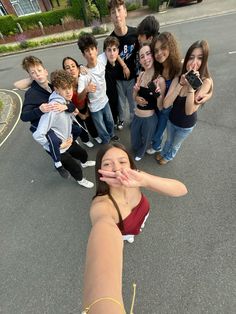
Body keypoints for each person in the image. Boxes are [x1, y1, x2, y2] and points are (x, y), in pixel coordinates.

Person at [82, 143, 187, 312]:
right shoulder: (102, 206)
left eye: (122, 161)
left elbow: (181, 190)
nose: (117, 168)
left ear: (131, 164)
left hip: (141, 217)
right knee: (125, 237)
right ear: (100, 172)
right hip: (121, 231)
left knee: (137, 229)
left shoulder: (136, 180)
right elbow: (103, 229)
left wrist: (145, 180)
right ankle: (127, 236)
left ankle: (132, 233)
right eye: (107, 164)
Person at [33, 69, 95, 188]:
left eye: (70, 87)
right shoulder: (53, 109)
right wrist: (55, 146)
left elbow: (72, 110)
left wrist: (68, 107)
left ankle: (85, 163)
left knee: (82, 153)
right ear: (56, 89)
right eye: (64, 88)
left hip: (69, 140)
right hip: (60, 147)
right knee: (74, 168)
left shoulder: (64, 100)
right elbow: (37, 135)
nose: (69, 92)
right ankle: (80, 180)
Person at [156, 40, 213, 165]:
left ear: (204, 61)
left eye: (200, 58)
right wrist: (181, 84)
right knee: (169, 140)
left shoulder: (205, 83)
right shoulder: (180, 74)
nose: (194, 62)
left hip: (186, 125)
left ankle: (168, 156)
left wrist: (191, 88)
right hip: (172, 119)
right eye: (191, 57)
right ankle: (165, 151)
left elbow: (189, 111)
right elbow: (166, 104)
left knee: (176, 144)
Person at [20, 55, 77, 178]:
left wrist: (67, 107)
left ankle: (72, 157)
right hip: (47, 131)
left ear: (45, 71)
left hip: (62, 127)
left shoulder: (54, 87)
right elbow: (24, 117)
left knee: (73, 143)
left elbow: (70, 103)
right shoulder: (31, 94)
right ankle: (61, 166)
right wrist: (39, 110)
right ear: (30, 77)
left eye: (39, 70)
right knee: (63, 156)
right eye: (33, 73)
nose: (38, 75)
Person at [77, 33, 119, 144]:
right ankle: (107, 142)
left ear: (96, 49)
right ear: (83, 54)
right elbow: (79, 97)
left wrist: (122, 65)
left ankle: (111, 135)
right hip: (94, 107)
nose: (90, 53)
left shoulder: (102, 58)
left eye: (92, 49)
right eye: (87, 50)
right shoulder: (83, 76)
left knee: (110, 121)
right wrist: (86, 89)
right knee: (101, 127)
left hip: (105, 100)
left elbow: (113, 52)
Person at [147, 32, 182, 155]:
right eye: (156, 51)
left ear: (170, 48)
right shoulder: (158, 69)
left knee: (159, 132)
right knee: (155, 129)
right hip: (157, 105)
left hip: (168, 110)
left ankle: (157, 147)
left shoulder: (178, 69)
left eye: (163, 48)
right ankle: (157, 144)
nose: (159, 53)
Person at [131, 42, 165, 161]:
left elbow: (161, 107)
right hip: (136, 116)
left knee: (146, 140)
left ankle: (141, 153)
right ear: (140, 61)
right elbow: (134, 95)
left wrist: (158, 95)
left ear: (153, 56)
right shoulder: (140, 75)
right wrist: (135, 96)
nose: (145, 58)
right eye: (142, 56)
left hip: (149, 119)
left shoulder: (159, 80)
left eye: (148, 54)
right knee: (134, 140)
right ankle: (138, 150)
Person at [108, 0, 138, 129]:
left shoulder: (135, 33)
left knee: (133, 103)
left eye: (119, 10)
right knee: (120, 104)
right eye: (113, 12)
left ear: (125, 12)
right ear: (110, 17)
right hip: (118, 79)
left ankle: (133, 120)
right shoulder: (110, 39)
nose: (117, 15)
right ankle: (121, 120)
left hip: (133, 78)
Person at [62, 56, 102, 147]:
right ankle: (85, 140)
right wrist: (80, 115)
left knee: (90, 123)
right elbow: (69, 103)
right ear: (65, 71)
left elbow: (88, 96)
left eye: (73, 66)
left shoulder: (83, 78)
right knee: (81, 127)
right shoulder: (66, 86)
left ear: (77, 68)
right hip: (74, 112)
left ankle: (95, 135)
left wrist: (87, 110)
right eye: (67, 68)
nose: (71, 69)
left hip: (85, 107)